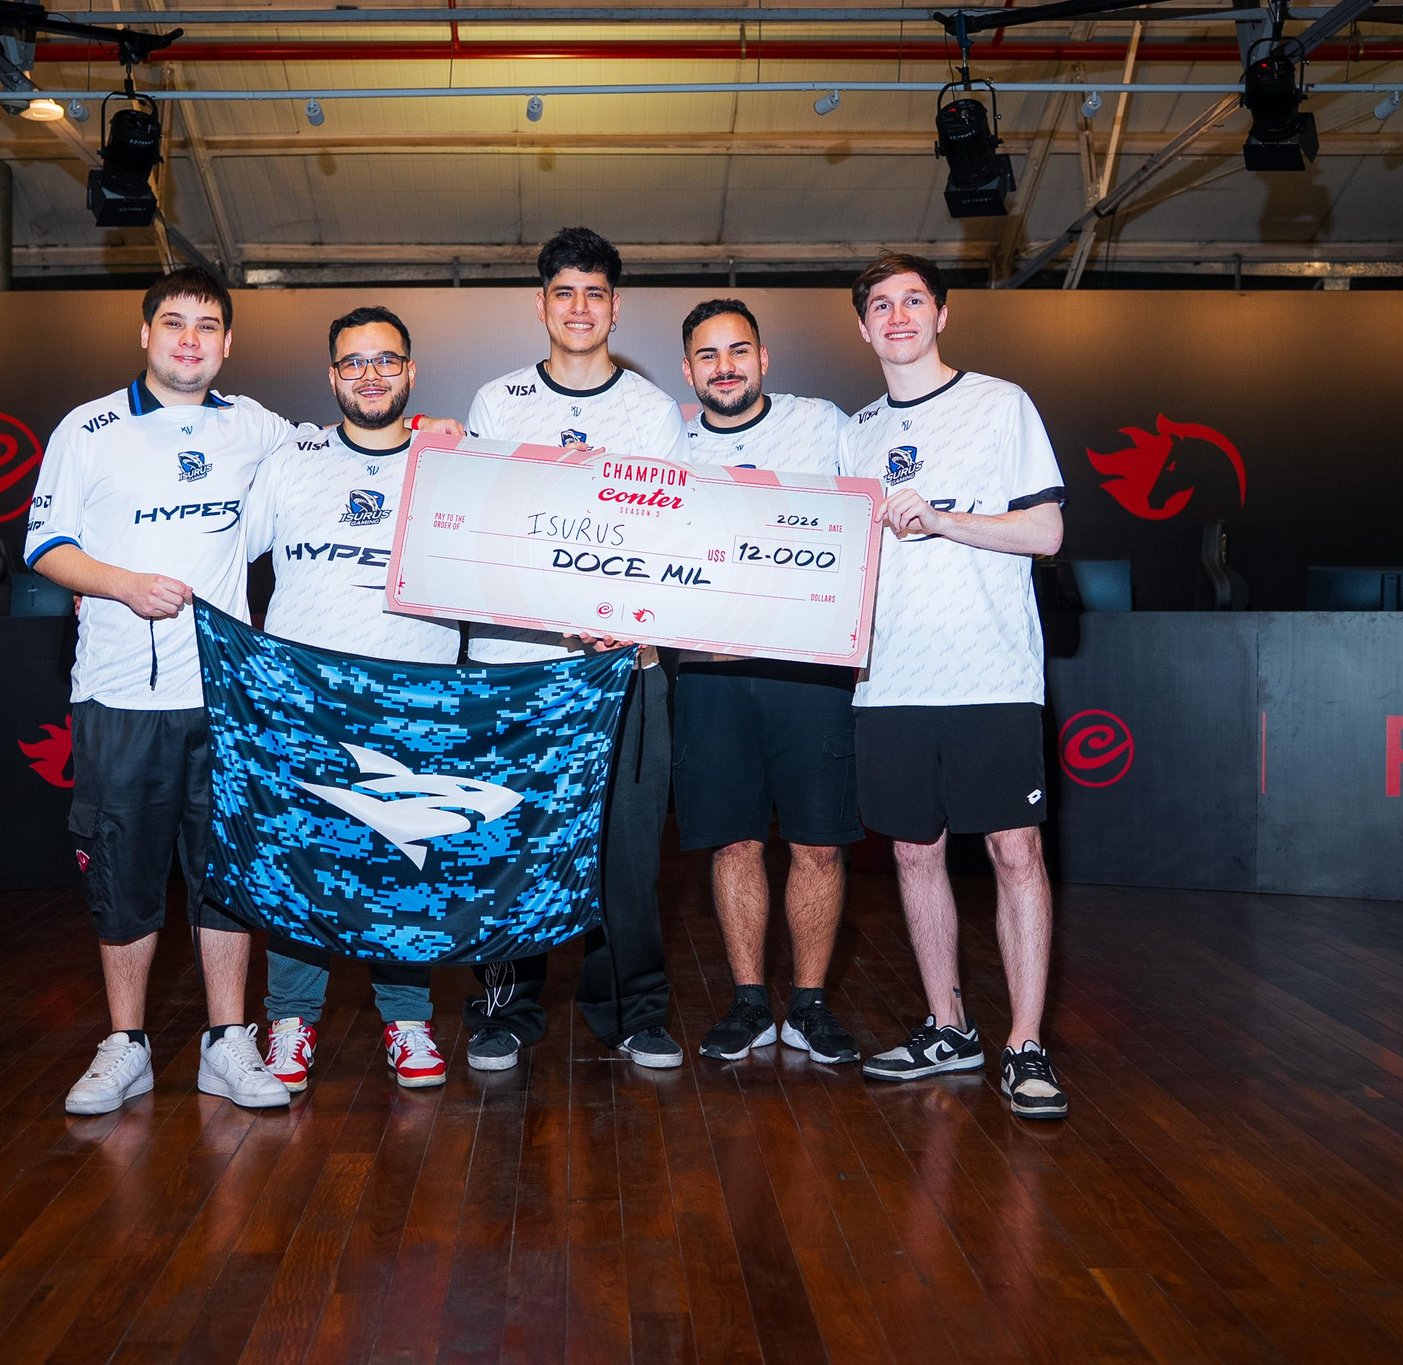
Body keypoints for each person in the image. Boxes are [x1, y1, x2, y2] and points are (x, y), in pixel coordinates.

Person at [25, 268, 454, 1117]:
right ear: (145, 333)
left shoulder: (260, 430)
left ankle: (230, 1038)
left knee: (242, 873)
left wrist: (427, 430)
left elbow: (348, 440)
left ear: (228, 343)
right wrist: (117, 583)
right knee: (127, 876)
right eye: (173, 322)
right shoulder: (89, 427)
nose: (189, 339)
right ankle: (127, 1043)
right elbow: (44, 546)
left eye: (207, 325)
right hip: (123, 692)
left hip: (231, 697)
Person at [838, 253, 1072, 1120]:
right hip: (889, 679)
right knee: (912, 853)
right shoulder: (854, 433)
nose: (897, 315)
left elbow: (1046, 532)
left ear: (942, 314)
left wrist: (939, 517)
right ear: (862, 326)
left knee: (1015, 852)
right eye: (880, 304)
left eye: (913, 300)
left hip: (991, 671)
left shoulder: (1001, 404)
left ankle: (1026, 1044)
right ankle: (949, 1028)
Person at [459, 226, 688, 1073]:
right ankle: (503, 1010)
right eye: (565, 292)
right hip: (516, 665)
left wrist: (629, 619)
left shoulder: (652, 411)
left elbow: (670, 536)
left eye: (595, 293)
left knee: (624, 852)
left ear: (616, 308)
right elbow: (486, 530)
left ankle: (632, 1010)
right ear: (542, 304)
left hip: (624, 664)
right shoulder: (498, 402)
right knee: (509, 841)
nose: (580, 308)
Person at [244, 306, 461, 1093]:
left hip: (415, 696)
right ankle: (290, 1021)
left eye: (386, 360)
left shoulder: (451, 461)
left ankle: (406, 1020)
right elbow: (222, 554)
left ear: (411, 370)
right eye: (353, 363)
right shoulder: (292, 459)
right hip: (304, 695)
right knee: (301, 860)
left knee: (402, 859)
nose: (371, 375)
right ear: (332, 376)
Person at [673, 298, 863, 1065]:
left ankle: (809, 1006)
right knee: (733, 842)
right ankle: (750, 1002)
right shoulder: (667, 440)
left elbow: (876, 510)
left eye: (738, 350)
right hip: (709, 671)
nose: (725, 367)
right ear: (688, 370)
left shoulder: (823, 424)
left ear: (764, 358)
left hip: (810, 668)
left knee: (819, 845)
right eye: (708, 355)